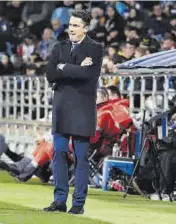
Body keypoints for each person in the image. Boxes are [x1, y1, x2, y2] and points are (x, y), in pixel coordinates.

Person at [44, 10, 104, 214]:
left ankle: (78, 205)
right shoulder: (58, 47)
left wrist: (63, 68)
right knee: (58, 154)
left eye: (76, 25)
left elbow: (90, 75)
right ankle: (59, 201)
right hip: (61, 109)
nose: (71, 28)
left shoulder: (95, 48)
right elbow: (50, 74)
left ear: (86, 28)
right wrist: (74, 68)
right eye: (70, 24)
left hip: (82, 110)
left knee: (80, 158)